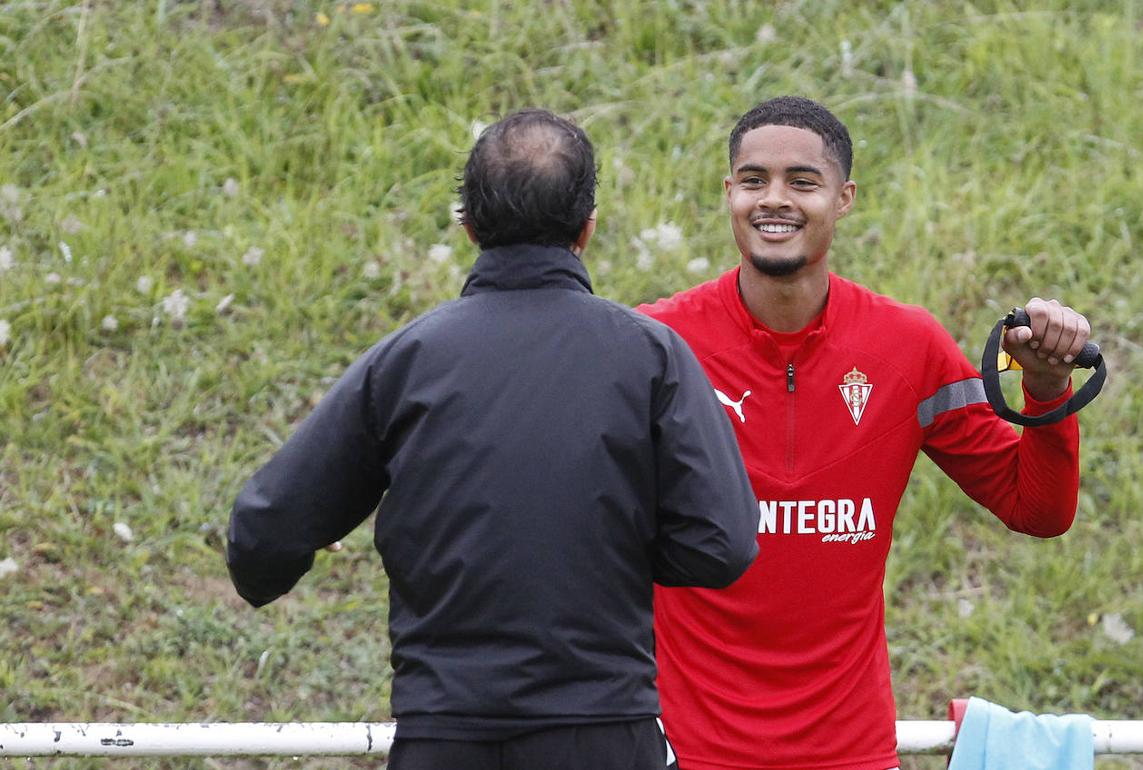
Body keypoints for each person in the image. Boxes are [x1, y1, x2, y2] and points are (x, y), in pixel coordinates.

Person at [227, 108, 759, 770]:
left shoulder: (407, 360)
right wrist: (608, 549)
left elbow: (263, 534)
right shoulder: (650, 356)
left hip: (444, 734)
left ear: (469, 224)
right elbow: (724, 544)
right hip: (603, 733)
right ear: (587, 227)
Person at [637, 96, 1092, 770]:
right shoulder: (656, 345)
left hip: (849, 752)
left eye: (803, 181)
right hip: (688, 751)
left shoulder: (906, 346)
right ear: (729, 192)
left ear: (844, 198)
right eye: (755, 180)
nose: (775, 200)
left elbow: (1039, 508)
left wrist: (1049, 391)